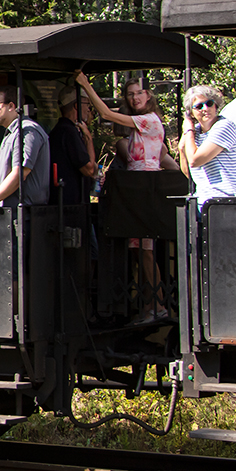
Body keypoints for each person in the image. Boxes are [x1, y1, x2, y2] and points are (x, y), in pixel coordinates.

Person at [76, 72, 175, 322]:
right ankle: (150, 305)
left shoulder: (150, 121)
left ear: (149, 95)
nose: (134, 98)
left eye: (139, 93)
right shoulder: (142, 130)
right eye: (130, 94)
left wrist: (86, 85)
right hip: (135, 192)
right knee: (139, 251)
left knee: (145, 251)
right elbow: (168, 161)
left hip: (143, 191)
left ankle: (157, 306)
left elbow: (107, 115)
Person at [0, 86, 50, 222]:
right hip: (11, 214)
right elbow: (4, 172)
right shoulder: (11, 132)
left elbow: (19, 174)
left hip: (25, 216)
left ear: (11, 106)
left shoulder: (27, 131)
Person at [177, 85, 236, 211]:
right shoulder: (195, 133)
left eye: (209, 103)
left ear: (216, 105)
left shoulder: (224, 126)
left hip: (227, 202)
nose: (205, 109)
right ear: (191, 113)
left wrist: (188, 130)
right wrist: (181, 147)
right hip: (204, 201)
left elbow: (195, 160)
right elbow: (189, 173)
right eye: (199, 106)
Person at [48, 86, 98, 205]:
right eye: (87, 105)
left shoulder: (58, 130)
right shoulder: (69, 132)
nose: (88, 110)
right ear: (77, 105)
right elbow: (89, 170)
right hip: (72, 202)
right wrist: (88, 138)